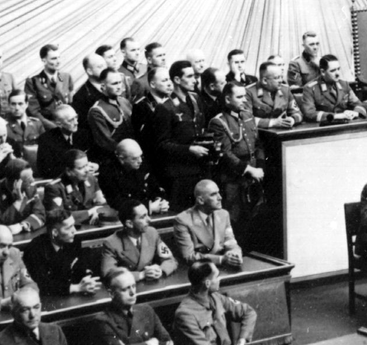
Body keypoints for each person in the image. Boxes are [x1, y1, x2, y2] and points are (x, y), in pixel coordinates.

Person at [88, 267, 173, 345]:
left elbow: (167, 344)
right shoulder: (103, 322)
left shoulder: (146, 310)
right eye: (125, 289)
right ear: (111, 293)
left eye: (133, 286)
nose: (133, 293)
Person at [172, 260, 257, 345]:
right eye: (217, 276)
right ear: (207, 283)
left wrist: (242, 340)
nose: (219, 279)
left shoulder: (216, 298)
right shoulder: (185, 314)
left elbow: (248, 312)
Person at [208, 84, 264, 233]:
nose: (244, 100)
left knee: (253, 219)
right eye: (239, 97)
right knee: (233, 221)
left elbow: (258, 144)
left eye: (245, 96)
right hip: (233, 181)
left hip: (252, 179)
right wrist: (248, 169)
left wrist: (259, 167)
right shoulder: (219, 122)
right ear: (227, 99)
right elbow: (225, 153)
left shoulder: (248, 116)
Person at [158, 61, 212, 206]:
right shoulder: (165, 108)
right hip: (180, 173)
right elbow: (162, 144)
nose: (195, 80)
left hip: (200, 168)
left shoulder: (195, 99)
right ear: (176, 80)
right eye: (190, 76)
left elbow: (201, 127)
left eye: (195, 76)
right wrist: (188, 149)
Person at [22, 209, 100, 298]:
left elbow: (80, 264)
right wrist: (76, 288)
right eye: (69, 227)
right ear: (54, 232)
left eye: (74, 225)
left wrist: (85, 277)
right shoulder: (34, 250)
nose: (74, 231)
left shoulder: (72, 240)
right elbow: (42, 284)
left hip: (69, 295)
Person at [102, 198, 178, 280]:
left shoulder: (151, 233)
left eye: (147, 215)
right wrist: (141, 275)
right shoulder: (111, 243)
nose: (149, 220)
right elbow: (108, 273)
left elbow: (170, 260)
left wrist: (160, 270)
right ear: (129, 223)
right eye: (143, 217)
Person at [173, 180, 243, 266]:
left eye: (219, 193)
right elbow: (189, 256)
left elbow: (230, 242)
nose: (220, 197)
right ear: (201, 200)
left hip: (222, 267)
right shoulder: (183, 220)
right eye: (213, 194)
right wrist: (221, 259)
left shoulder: (223, 214)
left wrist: (234, 253)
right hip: (198, 270)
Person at [99, 138, 170, 216]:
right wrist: (149, 207)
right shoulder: (108, 173)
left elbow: (154, 187)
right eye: (134, 158)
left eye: (141, 156)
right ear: (121, 158)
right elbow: (118, 203)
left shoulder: (141, 165)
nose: (140, 161)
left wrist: (159, 200)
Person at [0, 160, 46, 235]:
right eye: (27, 179)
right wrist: (18, 202)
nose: (33, 180)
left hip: (25, 233)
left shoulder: (30, 188)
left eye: (32, 176)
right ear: (15, 183)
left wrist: (22, 226)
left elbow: (41, 214)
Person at [42, 149, 106, 222]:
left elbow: (101, 202)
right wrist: (89, 212)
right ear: (68, 171)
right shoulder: (54, 188)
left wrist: (97, 211)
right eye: (81, 168)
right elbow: (57, 216)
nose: (87, 170)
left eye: (87, 165)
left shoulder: (91, 179)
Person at [87, 67, 134, 165]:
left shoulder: (124, 101)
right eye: (114, 83)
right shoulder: (97, 111)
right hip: (116, 160)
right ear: (103, 86)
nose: (119, 86)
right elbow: (106, 143)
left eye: (120, 82)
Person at [300, 55, 367, 122]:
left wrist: (355, 113)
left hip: (346, 124)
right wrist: (335, 116)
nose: (337, 73)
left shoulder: (344, 85)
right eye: (333, 71)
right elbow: (309, 114)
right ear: (323, 72)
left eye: (338, 69)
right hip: (325, 128)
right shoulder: (310, 88)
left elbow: (359, 104)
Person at [26, 44, 74, 130]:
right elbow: (33, 112)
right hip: (46, 127)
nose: (58, 61)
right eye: (54, 58)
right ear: (44, 61)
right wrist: (53, 127)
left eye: (59, 57)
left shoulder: (67, 77)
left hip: (67, 125)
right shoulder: (33, 82)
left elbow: (71, 104)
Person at [245, 61, 302, 128]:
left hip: (281, 132)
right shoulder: (248, 92)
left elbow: (298, 113)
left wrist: (292, 120)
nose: (281, 80)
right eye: (276, 78)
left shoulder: (285, 90)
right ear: (264, 81)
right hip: (260, 133)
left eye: (281, 77)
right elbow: (246, 119)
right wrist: (273, 123)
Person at [35, 104, 82, 179]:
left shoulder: (84, 135)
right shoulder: (46, 140)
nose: (76, 122)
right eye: (71, 120)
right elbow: (46, 170)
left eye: (76, 118)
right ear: (59, 124)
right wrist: (74, 170)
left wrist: (96, 165)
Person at [71, 53, 107, 128]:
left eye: (105, 65)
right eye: (100, 67)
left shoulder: (113, 84)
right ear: (89, 71)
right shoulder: (80, 97)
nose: (105, 69)